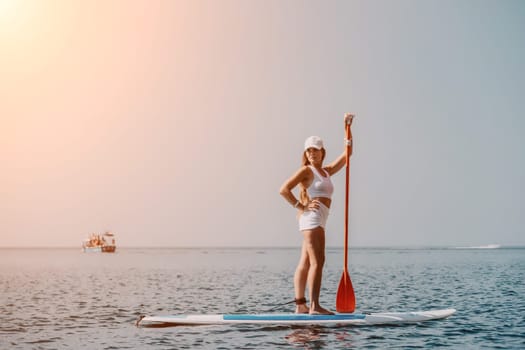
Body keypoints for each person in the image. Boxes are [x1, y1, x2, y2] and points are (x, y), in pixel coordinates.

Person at [279, 113, 354, 314]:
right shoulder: (306, 171)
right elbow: (284, 189)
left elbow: (348, 155)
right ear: (306, 153)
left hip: (320, 218)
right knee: (318, 261)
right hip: (311, 219)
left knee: (305, 262)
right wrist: (300, 206)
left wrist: (347, 127)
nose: (312, 153)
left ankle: (301, 305)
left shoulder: (326, 171)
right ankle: (315, 306)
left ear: (322, 152)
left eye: (316, 150)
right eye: (309, 150)